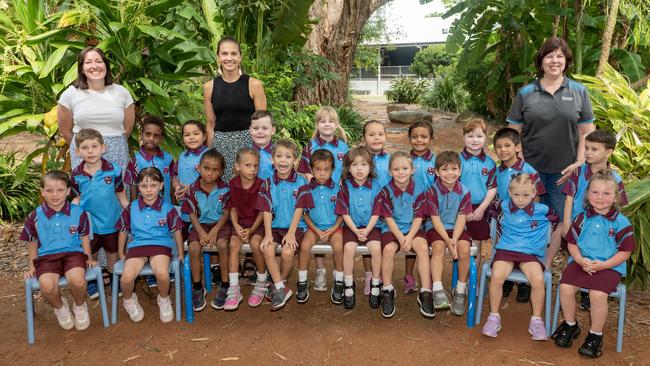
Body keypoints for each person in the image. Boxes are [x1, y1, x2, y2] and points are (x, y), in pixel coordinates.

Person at [507, 37, 595, 286]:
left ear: (566, 61)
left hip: (564, 173)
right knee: (526, 222)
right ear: (541, 62)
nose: (554, 61)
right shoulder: (526, 93)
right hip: (529, 173)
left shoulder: (579, 91)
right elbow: (513, 131)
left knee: (563, 225)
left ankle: (552, 272)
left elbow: (586, 131)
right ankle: (522, 275)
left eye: (559, 56)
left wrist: (579, 162)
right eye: (549, 56)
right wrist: (521, 162)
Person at [552, 171, 635, 358]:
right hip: (582, 261)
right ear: (588, 195)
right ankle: (570, 325)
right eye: (595, 192)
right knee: (565, 287)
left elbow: (625, 252)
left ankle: (595, 335)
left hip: (609, 267)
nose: (600, 198)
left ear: (615, 197)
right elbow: (572, 243)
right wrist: (580, 260)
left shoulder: (621, 222)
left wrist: (604, 265)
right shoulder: (581, 217)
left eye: (606, 194)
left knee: (597, 295)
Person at [481, 174, 558, 340]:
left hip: (530, 254)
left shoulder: (543, 211)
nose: (521, 200)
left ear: (533, 193)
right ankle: (494, 316)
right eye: (516, 195)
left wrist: (542, 240)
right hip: (506, 250)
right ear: (509, 192)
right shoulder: (503, 206)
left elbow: (556, 221)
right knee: (497, 276)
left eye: (525, 195)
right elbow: (491, 212)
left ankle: (536, 320)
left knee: (537, 279)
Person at [560, 130, 628, 311]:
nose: (588, 153)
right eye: (586, 148)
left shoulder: (616, 179)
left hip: (602, 229)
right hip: (577, 227)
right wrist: (566, 223)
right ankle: (574, 293)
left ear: (609, 152)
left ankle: (591, 293)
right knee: (576, 259)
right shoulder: (578, 172)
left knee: (597, 254)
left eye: (594, 149)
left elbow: (620, 206)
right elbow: (568, 198)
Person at [21, 170, 96, 331]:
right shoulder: (35, 215)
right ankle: (60, 308)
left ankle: (79, 305)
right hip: (47, 257)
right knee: (46, 286)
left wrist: (88, 257)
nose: (54, 195)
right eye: (49, 190)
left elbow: (84, 237)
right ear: (42, 191)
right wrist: (32, 266)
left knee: (77, 280)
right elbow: (32, 241)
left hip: (73, 254)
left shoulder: (78, 212)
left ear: (68, 191)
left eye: (60, 190)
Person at [115, 168, 185, 323]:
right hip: (137, 246)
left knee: (162, 274)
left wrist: (180, 253)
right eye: (144, 186)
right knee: (126, 278)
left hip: (160, 246)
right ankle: (128, 300)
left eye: (153, 185)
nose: (148, 190)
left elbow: (177, 231)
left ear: (161, 186)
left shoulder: (167, 208)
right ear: (138, 187)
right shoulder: (131, 208)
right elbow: (123, 230)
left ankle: (164, 299)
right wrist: (121, 253)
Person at [70, 129, 129, 299]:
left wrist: (128, 208)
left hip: (111, 221)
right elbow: (77, 196)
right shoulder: (76, 175)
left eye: (94, 146)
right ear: (77, 151)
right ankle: (92, 282)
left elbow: (121, 194)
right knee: (91, 255)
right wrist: (74, 205)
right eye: (85, 147)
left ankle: (114, 281)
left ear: (103, 148)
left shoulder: (114, 170)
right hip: (89, 225)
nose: (90, 151)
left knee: (113, 254)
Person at [297, 106, 350, 291]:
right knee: (315, 229)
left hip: (335, 196)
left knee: (336, 240)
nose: (327, 124)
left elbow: (347, 172)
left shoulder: (343, 147)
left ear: (336, 125)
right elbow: (303, 171)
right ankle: (320, 271)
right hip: (316, 194)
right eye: (322, 121)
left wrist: (340, 187)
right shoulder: (310, 146)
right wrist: (314, 183)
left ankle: (338, 275)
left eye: (331, 121)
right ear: (317, 124)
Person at [58, 47, 135, 171]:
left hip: (117, 153)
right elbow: (66, 132)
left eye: (99, 61)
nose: (94, 66)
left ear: (106, 65)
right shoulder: (69, 94)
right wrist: (85, 147)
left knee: (117, 189)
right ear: (82, 69)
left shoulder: (122, 93)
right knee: (86, 189)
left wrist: (112, 143)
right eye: (88, 62)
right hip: (84, 156)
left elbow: (128, 128)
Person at [493, 127, 546, 302]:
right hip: (505, 218)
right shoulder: (497, 170)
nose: (503, 150)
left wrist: (531, 217)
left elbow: (537, 195)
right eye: (499, 147)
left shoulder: (528, 170)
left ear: (517, 147)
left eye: (507, 145)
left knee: (524, 247)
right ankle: (506, 281)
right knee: (504, 244)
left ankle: (524, 285)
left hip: (526, 218)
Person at [204, 37, 267, 181]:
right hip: (221, 146)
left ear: (240, 56)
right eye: (224, 54)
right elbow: (210, 124)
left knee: (249, 191)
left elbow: (263, 125)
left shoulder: (254, 85)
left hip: (248, 145)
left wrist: (260, 152)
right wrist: (211, 155)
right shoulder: (209, 87)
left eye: (233, 54)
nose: (229, 58)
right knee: (224, 194)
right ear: (218, 56)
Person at [377, 152, 431, 318]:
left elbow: (419, 217)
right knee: (387, 250)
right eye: (396, 169)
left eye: (405, 168)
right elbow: (388, 217)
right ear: (390, 171)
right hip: (392, 229)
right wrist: (401, 238)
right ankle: (387, 290)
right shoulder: (386, 191)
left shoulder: (420, 189)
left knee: (422, 248)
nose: (401, 172)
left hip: (413, 228)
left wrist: (409, 237)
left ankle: (426, 292)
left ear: (412, 170)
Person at [257, 139, 309, 311]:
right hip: (274, 228)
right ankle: (280, 287)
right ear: (272, 160)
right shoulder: (267, 183)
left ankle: (280, 283)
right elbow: (266, 209)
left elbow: (299, 208)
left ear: (295, 160)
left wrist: (292, 233)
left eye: (288, 157)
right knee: (267, 248)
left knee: (287, 252)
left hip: (295, 228)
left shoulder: (301, 183)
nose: (283, 160)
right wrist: (268, 234)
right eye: (278, 156)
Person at [181, 149, 231, 312]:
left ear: (221, 172)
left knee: (223, 245)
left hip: (220, 225)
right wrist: (202, 233)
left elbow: (226, 212)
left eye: (215, 170)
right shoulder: (192, 189)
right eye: (206, 168)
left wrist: (215, 231)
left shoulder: (225, 189)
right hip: (199, 225)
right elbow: (191, 214)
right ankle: (197, 287)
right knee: (194, 248)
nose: (210, 173)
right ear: (199, 168)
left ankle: (225, 285)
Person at [423, 151, 472, 315]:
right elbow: (435, 219)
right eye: (444, 169)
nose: (449, 173)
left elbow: (461, 217)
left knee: (464, 249)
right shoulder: (432, 190)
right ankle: (437, 289)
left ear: (460, 171)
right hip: (436, 227)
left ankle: (459, 290)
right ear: (437, 172)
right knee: (438, 247)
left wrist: (455, 239)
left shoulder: (464, 191)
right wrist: (448, 240)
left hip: (457, 228)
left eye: (454, 169)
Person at [335, 147, 383, 310]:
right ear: (348, 168)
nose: (359, 168)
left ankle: (376, 283)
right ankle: (348, 285)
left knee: (376, 249)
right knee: (348, 248)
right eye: (354, 165)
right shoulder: (345, 186)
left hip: (372, 226)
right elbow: (344, 212)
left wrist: (367, 230)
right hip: (352, 226)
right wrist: (356, 231)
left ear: (370, 167)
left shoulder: (376, 185)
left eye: (363, 164)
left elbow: (377, 211)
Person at [296, 150, 344, 304]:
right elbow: (304, 214)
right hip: (313, 228)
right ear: (311, 169)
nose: (322, 173)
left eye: (326, 170)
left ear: (332, 170)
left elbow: (343, 213)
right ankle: (302, 282)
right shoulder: (306, 189)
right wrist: (316, 230)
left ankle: (338, 281)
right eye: (318, 169)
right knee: (304, 246)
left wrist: (334, 228)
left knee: (338, 247)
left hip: (334, 227)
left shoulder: (338, 189)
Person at [226, 148, 267, 309]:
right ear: (237, 166)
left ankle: (262, 281)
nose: (252, 169)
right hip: (239, 224)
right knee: (233, 245)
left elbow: (263, 212)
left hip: (257, 224)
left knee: (256, 244)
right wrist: (236, 226)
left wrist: (251, 230)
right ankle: (234, 287)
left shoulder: (262, 184)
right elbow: (233, 208)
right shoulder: (233, 184)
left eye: (255, 166)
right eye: (248, 165)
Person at [459, 117, 496, 266]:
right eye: (470, 136)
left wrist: (481, 209)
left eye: (479, 136)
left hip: (481, 209)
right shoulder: (456, 160)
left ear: (485, 138)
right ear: (463, 138)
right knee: (462, 245)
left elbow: (492, 188)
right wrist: (464, 209)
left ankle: (475, 285)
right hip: (460, 209)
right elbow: (452, 186)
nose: (475, 140)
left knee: (478, 246)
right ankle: (462, 282)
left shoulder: (490, 163)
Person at [405, 120, 437, 293]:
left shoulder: (436, 161)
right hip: (409, 210)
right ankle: (409, 276)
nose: (419, 140)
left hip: (430, 211)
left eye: (424, 136)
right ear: (409, 139)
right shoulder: (404, 160)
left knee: (427, 245)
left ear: (430, 138)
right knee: (410, 243)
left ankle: (428, 278)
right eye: (415, 137)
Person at [361, 121, 391, 296]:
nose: (376, 137)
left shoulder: (390, 159)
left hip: (386, 212)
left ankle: (380, 276)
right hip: (365, 210)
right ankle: (369, 275)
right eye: (371, 134)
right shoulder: (358, 158)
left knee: (379, 244)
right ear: (364, 138)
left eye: (380, 134)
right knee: (367, 240)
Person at [124, 116, 176, 206]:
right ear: (141, 134)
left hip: (166, 209)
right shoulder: (135, 161)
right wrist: (133, 209)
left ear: (161, 138)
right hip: (144, 211)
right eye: (148, 134)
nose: (151, 138)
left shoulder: (168, 159)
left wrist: (174, 205)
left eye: (156, 136)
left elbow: (172, 184)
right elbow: (133, 186)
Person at [174, 120, 209, 237]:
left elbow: (211, 180)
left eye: (196, 134)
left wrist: (189, 188)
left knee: (202, 238)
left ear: (204, 136)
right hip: (185, 207)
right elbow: (175, 175)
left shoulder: (208, 155)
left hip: (203, 209)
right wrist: (177, 186)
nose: (192, 138)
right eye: (187, 135)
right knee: (187, 238)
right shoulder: (182, 156)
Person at [250, 110, 276, 181]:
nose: (260, 132)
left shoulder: (278, 153)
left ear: (273, 130)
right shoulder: (245, 153)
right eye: (255, 128)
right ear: (250, 130)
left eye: (264, 128)